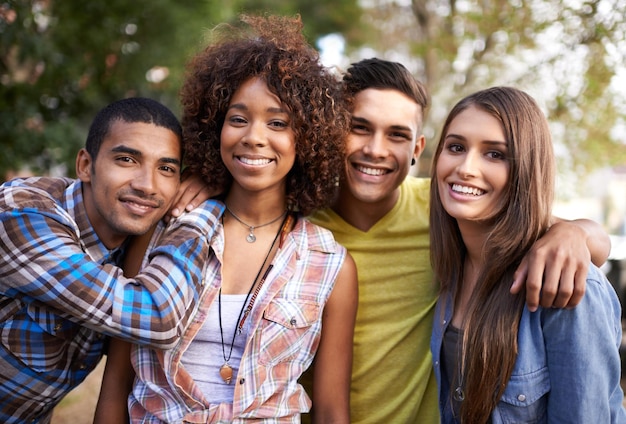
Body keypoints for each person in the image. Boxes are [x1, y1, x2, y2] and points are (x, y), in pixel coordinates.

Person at [301, 59, 612, 423]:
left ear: (418, 148)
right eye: (359, 128)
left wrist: (574, 232)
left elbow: (563, 233)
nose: (375, 148)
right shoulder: (298, 230)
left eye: (397, 134)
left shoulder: (443, 210)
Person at [95, 14, 358, 423]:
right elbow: (116, 384)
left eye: (277, 123)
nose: (253, 136)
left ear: (305, 139)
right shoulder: (163, 231)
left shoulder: (330, 265)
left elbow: (330, 409)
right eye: (238, 119)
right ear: (214, 127)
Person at [0, 97, 224, 423]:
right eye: (126, 159)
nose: (147, 185)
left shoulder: (136, 240)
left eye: (166, 169)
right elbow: (159, 316)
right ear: (85, 166)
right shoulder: (21, 215)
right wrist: (199, 212)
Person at [430, 86, 626, 423]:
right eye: (456, 147)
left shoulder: (565, 281)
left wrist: (578, 232)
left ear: (525, 169)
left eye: (495, 154)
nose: (465, 167)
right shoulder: (450, 265)